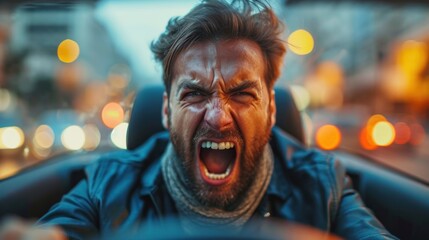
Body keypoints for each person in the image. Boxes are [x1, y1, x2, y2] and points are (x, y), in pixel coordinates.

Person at [10, 0, 397, 239]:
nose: (218, 116)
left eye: (243, 93)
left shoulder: (323, 183)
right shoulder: (107, 183)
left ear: (272, 109)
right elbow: (59, 230)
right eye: (194, 93)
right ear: (166, 110)